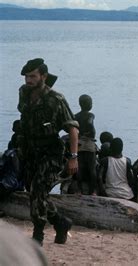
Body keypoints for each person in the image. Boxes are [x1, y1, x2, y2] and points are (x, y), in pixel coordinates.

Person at [16, 58, 78, 245]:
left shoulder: (56, 99)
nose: (28, 80)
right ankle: (60, 222)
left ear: (43, 76)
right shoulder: (24, 93)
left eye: (33, 76)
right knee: (36, 193)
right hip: (29, 151)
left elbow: (73, 129)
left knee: (37, 190)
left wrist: (74, 157)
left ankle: (38, 236)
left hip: (50, 153)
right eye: (26, 76)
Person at [75, 94, 97, 195]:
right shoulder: (90, 115)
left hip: (78, 143)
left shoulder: (76, 116)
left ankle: (79, 190)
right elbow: (89, 123)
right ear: (88, 104)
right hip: (88, 143)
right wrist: (92, 132)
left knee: (80, 167)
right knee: (92, 168)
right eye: (91, 103)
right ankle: (92, 191)